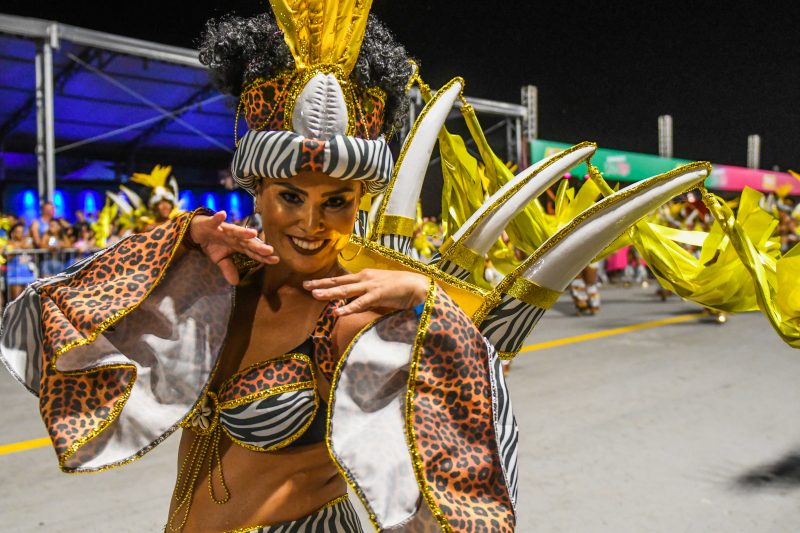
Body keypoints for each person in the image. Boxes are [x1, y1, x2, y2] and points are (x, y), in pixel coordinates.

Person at [0, 2, 718, 532]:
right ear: (255, 186)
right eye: (289, 195)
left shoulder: (360, 316)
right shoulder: (216, 282)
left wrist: (426, 301)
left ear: (361, 197)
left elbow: (464, 487)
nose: (310, 223)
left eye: (336, 199)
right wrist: (166, 245)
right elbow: (34, 338)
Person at [2, 222, 36, 301]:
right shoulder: (8, 243)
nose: (21, 234)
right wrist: (21, 247)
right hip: (14, 273)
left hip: (27, 272)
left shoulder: (28, 242)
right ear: (13, 233)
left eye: (22, 232)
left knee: (28, 298)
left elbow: (32, 251)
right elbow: (7, 256)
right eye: (18, 232)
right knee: (16, 299)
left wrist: (21, 247)